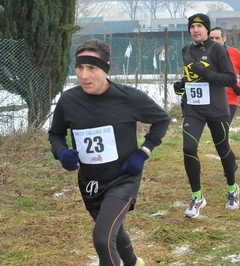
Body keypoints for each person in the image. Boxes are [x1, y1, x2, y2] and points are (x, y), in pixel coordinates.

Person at [48, 39, 170, 266]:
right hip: (90, 182)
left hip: (123, 178)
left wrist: (143, 151)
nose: (84, 75)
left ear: (106, 68)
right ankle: (134, 263)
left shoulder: (128, 97)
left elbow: (162, 120)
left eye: (92, 68)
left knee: (102, 238)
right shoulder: (69, 100)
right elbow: (55, 134)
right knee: (113, 228)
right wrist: (62, 152)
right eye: (79, 68)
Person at [173, 13, 239, 218]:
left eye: (200, 26)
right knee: (188, 147)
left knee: (223, 149)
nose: (196, 29)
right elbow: (190, 75)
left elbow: (230, 79)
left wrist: (206, 73)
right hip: (193, 108)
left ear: (207, 30)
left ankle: (232, 189)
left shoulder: (216, 49)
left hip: (216, 108)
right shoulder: (186, 50)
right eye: (192, 26)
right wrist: (181, 84)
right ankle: (197, 196)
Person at [209, 26, 240, 124]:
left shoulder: (234, 53)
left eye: (217, 38)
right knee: (216, 131)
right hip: (211, 98)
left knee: (224, 128)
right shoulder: (205, 54)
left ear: (224, 39)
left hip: (230, 98)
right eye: (211, 38)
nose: (214, 41)